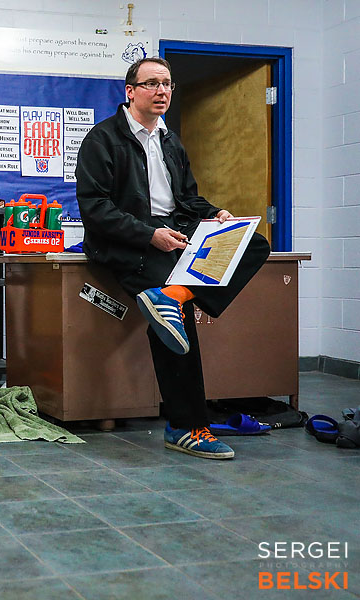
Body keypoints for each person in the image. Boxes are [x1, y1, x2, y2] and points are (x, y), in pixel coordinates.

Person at [76, 57, 270, 460]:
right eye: (151, 84)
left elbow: (186, 198)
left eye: (167, 84)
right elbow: (95, 209)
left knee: (255, 245)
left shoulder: (170, 140)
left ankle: (175, 296)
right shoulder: (101, 140)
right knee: (173, 320)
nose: (162, 91)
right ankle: (187, 427)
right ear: (130, 91)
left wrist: (214, 214)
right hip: (128, 243)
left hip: (174, 233)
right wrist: (150, 234)